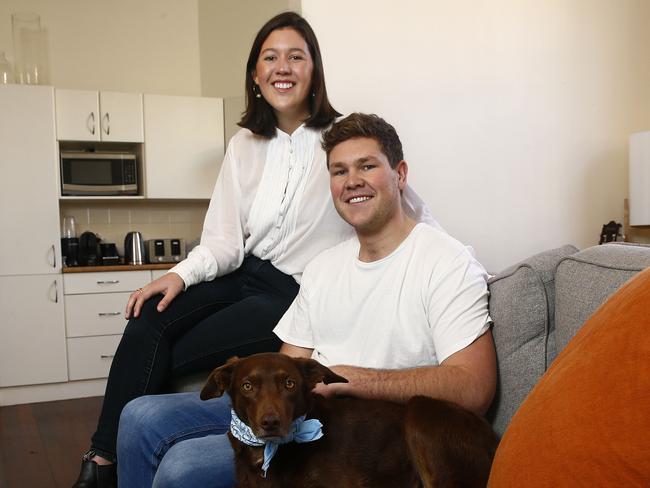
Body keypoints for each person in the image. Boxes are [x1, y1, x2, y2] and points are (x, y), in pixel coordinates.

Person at [72, 13, 438, 488]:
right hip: (244, 272)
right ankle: (102, 461)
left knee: (171, 357)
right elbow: (224, 241)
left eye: (295, 56)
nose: (282, 67)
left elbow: (400, 200)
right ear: (255, 74)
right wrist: (178, 276)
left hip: (289, 292)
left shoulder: (341, 138)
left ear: (314, 71)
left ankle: (139, 453)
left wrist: (434, 254)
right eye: (270, 57)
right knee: (147, 320)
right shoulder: (244, 143)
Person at [116, 113, 496, 487]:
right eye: (339, 171)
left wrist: (356, 379)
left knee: (181, 467)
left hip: (356, 435)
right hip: (299, 408)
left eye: (367, 166)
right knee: (140, 414)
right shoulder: (323, 267)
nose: (352, 182)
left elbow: (474, 388)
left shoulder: (446, 262)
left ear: (400, 174)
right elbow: (291, 360)